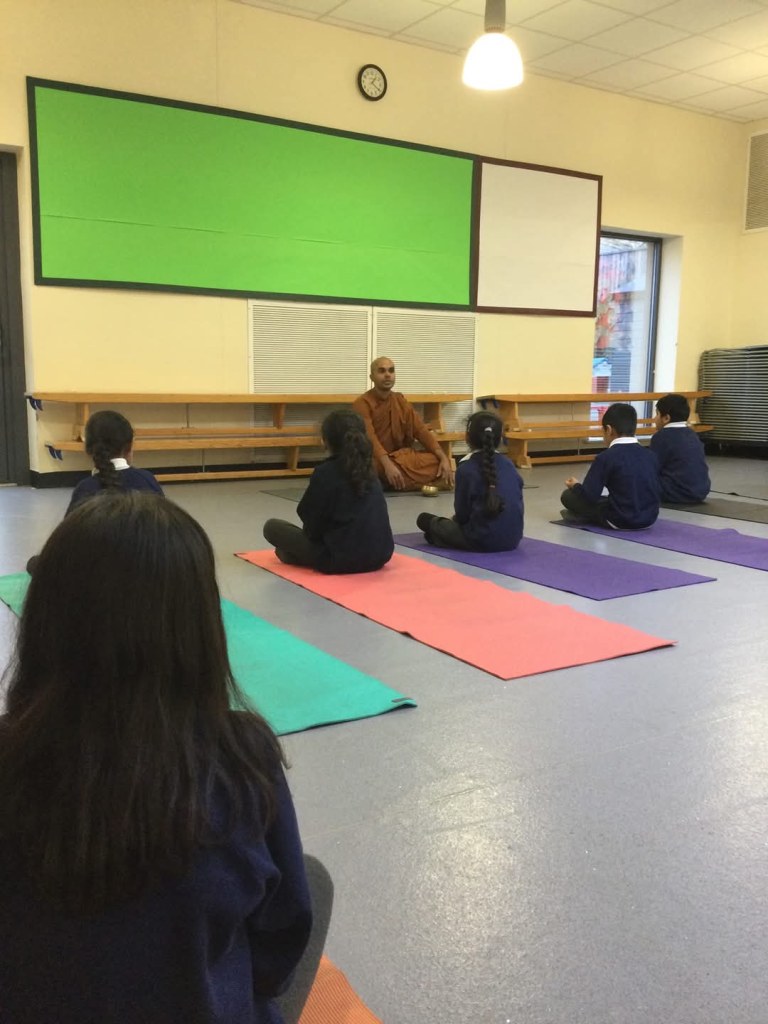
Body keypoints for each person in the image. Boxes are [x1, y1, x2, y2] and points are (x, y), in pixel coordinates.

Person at [0, 491, 331, 1024]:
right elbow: (278, 946)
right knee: (309, 879)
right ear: (197, 627)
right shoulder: (241, 757)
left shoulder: (11, 752)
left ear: (45, 618)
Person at [263, 409, 394, 574]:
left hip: (339, 559)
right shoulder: (371, 470)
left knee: (272, 527)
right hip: (381, 555)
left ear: (325, 441)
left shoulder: (325, 473)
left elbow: (312, 528)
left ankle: (294, 556)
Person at [416, 411, 524, 551]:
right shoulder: (509, 465)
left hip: (479, 540)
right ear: (500, 438)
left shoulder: (466, 468)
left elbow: (462, 516)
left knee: (424, 519)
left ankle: (440, 538)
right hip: (513, 539)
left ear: (467, 437)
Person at [352, 356, 455, 492]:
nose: (387, 375)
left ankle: (395, 483)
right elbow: (370, 438)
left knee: (437, 461)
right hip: (376, 460)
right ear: (372, 377)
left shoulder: (399, 400)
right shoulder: (362, 403)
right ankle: (424, 483)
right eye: (382, 371)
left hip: (400, 459)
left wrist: (442, 457)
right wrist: (388, 465)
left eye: (391, 370)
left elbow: (421, 431)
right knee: (370, 468)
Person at [560, 402, 660, 529]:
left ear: (608, 429)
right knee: (608, 499)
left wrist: (575, 486)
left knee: (568, 496)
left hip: (619, 519)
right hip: (649, 518)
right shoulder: (651, 455)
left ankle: (582, 516)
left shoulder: (605, 457)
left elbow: (589, 496)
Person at [66, 408, 164, 514]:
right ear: (130, 446)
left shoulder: (85, 490)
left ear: (88, 450)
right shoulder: (147, 480)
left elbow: (71, 525)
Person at [649, 392, 711, 504]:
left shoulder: (661, 437)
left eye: (657, 414)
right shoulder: (692, 434)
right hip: (701, 491)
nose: (654, 418)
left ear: (666, 418)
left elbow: (653, 467)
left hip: (676, 492)